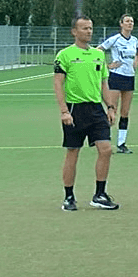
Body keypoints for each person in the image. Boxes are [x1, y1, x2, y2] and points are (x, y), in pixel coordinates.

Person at [54, 16, 119, 211]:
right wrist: (64, 111)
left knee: (106, 149)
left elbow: (104, 83)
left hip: (96, 109)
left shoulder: (98, 55)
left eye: (90, 28)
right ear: (74, 31)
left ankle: (99, 194)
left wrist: (110, 107)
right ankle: (69, 197)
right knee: (73, 152)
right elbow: (58, 83)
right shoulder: (65, 55)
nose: (89, 31)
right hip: (75, 109)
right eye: (84, 28)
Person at [97, 14, 138, 154]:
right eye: (127, 21)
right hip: (116, 76)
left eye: (132, 21)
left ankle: (121, 143)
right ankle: (105, 141)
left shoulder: (135, 40)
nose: (130, 23)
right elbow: (98, 50)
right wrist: (107, 66)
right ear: (121, 24)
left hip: (130, 77)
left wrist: (136, 61)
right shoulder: (115, 39)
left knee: (125, 112)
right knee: (112, 110)